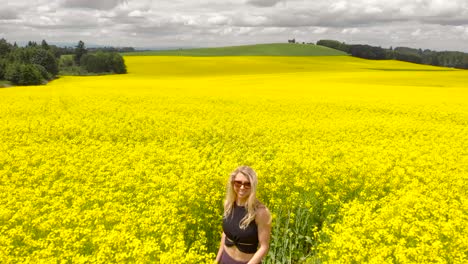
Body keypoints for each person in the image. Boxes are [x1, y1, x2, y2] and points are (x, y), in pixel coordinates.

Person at [215, 166, 272, 264]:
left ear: (253, 186)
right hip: (225, 259)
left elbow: (264, 247)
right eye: (238, 183)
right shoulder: (228, 204)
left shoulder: (261, 212)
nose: (242, 187)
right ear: (232, 184)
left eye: (247, 184)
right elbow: (225, 235)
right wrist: (217, 260)